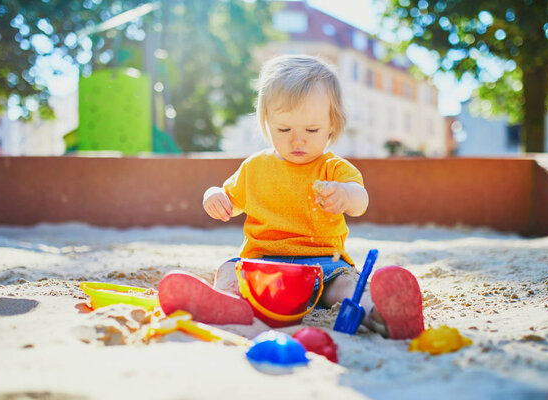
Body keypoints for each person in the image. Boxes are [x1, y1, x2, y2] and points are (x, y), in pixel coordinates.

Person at [159, 54, 424, 339]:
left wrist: (345, 195)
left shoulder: (332, 168)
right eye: (284, 129)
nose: (298, 139)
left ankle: (382, 313)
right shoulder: (254, 167)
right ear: (266, 122)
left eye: (312, 130)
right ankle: (229, 304)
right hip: (264, 265)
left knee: (348, 287)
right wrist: (213, 196)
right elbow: (229, 198)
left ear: (332, 126)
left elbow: (361, 201)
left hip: (325, 266)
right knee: (228, 270)